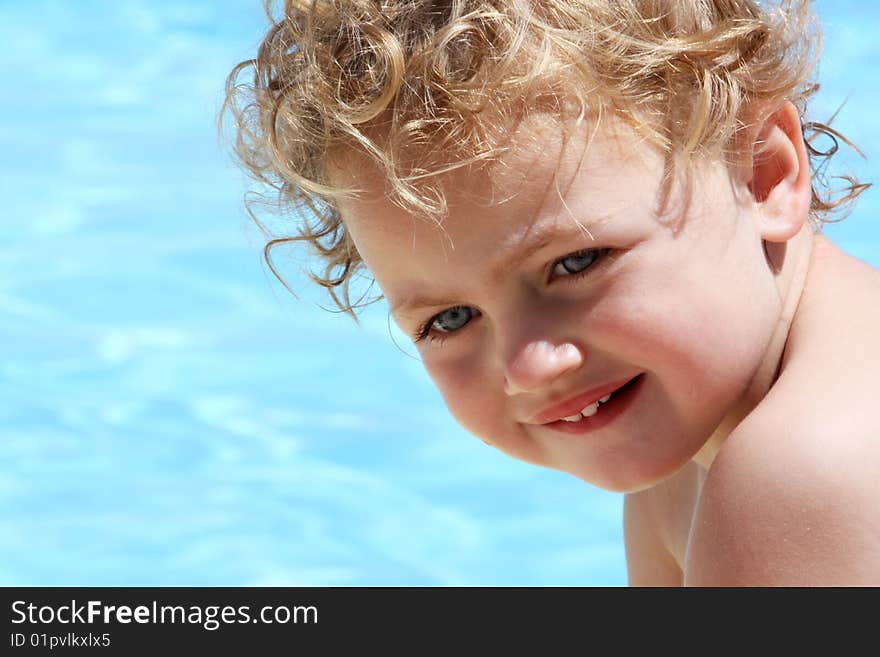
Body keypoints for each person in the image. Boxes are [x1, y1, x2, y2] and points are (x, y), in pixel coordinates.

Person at [223, 0, 879, 585]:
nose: (528, 366)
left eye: (578, 262)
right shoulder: (684, 452)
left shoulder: (802, 474)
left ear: (762, 175)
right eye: (450, 318)